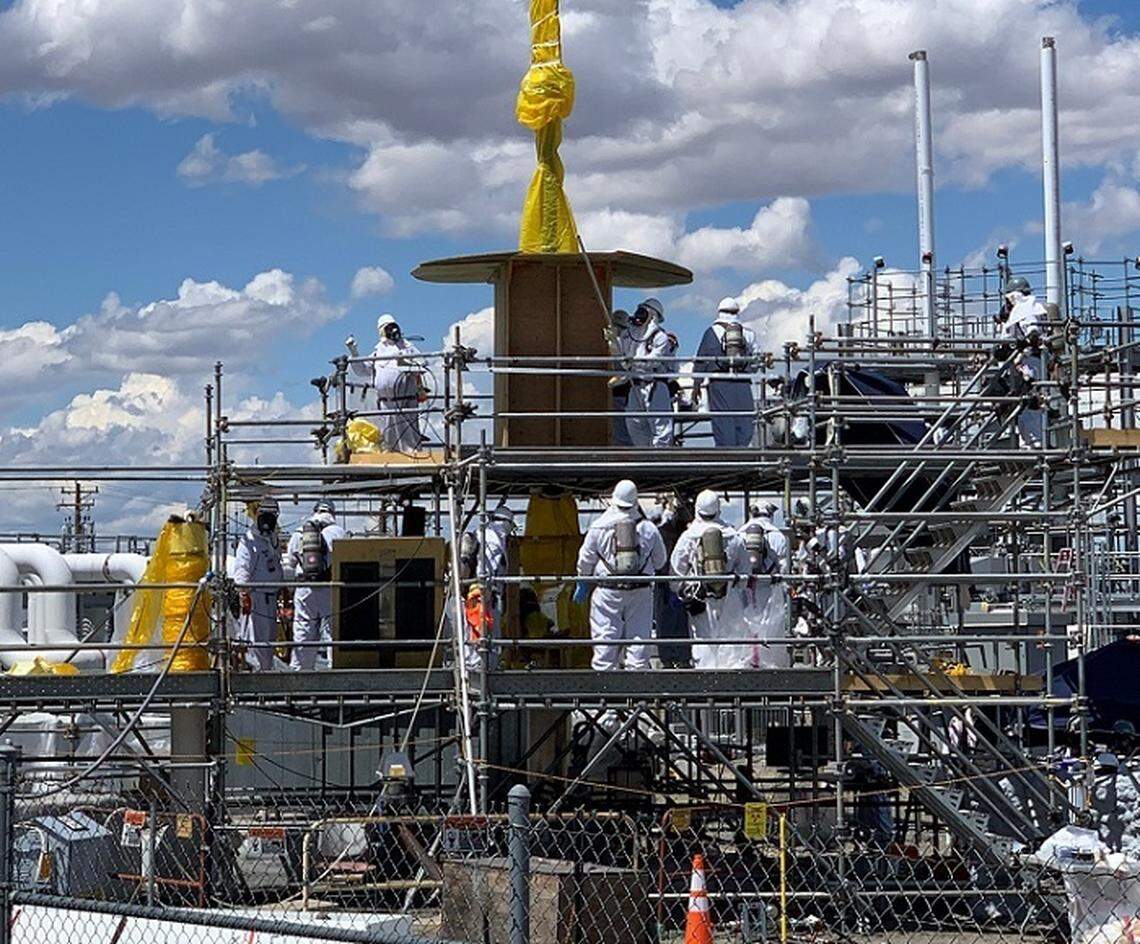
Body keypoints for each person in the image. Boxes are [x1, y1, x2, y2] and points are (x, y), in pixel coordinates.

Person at [574, 480, 667, 671]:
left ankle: (606, 689)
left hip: (607, 592)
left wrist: (582, 582)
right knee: (639, 642)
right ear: (635, 501)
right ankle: (638, 690)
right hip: (640, 591)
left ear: (614, 499)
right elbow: (660, 561)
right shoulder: (649, 528)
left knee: (605, 641)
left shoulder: (599, 527)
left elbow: (585, 560)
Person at [670, 490, 750, 669]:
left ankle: (705, 682)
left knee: (703, 643)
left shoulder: (688, 537)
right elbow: (745, 572)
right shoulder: (734, 536)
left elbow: (675, 572)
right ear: (719, 509)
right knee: (730, 641)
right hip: (729, 596)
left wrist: (681, 592)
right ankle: (730, 685)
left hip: (700, 598)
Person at [346, 314, 425, 453]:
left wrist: (406, 362)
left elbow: (422, 364)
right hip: (386, 403)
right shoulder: (378, 353)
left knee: (409, 435)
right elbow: (362, 370)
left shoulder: (407, 347)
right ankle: (391, 454)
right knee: (389, 435)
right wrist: (354, 352)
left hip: (407, 401)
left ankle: (412, 454)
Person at [286, 499, 347, 671]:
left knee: (303, 629)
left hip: (304, 587)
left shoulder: (299, 531)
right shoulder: (338, 531)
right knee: (332, 631)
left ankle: (300, 673)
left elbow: (291, 562)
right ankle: (334, 670)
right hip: (329, 586)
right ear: (333, 513)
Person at [693, 297, 758, 447]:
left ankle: (727, 455)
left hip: (719, 382)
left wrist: (696, 387)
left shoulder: (710, 332)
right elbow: (756, 360)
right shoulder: (748, 334)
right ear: (737, 312)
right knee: (745, 420)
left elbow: (701, 361)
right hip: (742, 382)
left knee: (723, 421)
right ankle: (742, 453)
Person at [996, 276, 1049, 448]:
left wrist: (1021, 346)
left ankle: (1035, 445)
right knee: (1022, 403)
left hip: (1027, 363)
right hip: (1022, 362)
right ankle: (1029, 443)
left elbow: (1032, 333)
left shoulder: (1026, 309)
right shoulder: (1025, 310)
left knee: (1029, 404)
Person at [459, 505, 513, 670]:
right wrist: (488, 590)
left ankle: (478, 667)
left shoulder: (484, 533)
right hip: (484, 593)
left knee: (478, 631)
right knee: (481, 632)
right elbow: (488, 567)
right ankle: (481, 670)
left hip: (480, 592)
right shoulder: (493, 537)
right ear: (507, 523)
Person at [234, 496, 284, 671]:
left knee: (268, 639)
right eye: (265, 514)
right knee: (257, 639)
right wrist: (244, 594)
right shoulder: (249, 541)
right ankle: (258, 676)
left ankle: (266, 673)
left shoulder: (272, 539)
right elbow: (242, 570)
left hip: (271, 596)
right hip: (257, 597)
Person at [740, 501, 791, 668]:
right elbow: (784, 569)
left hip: (744, 588)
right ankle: (767, 663)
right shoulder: (778, 536)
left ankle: (748, 662)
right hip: (768, 589)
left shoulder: (739, 534)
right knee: (769, 627)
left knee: (746, 627)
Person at [620, 298, 676, 448]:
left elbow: (653, 361)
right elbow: (623, 358)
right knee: (635, 423)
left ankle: (659, 457)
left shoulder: (660, 338)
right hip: (635, 384)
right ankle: (643, 454)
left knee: (661, 425)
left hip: (655, 385)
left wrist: (633, 362)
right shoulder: (630, 336)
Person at [609, 309, 633, 447]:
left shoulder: (624, 341)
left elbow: (624, 365)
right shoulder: (627, 339)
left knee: (623, 429)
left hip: (624, 390)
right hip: (621, 390)